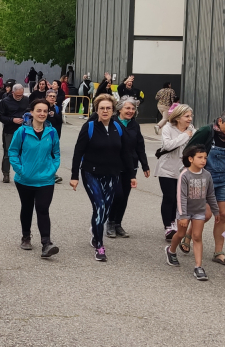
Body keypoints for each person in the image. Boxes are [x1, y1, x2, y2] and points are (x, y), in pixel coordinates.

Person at [69, 94, 136, 262]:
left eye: (108, 108)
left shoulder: (118, 128)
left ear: (113, 110)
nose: (105, 111)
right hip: (91, 173)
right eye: (102, 108)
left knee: (105, 209)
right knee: (99, 207)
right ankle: (99, 245)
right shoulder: (89, 127)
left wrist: (132, 175)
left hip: (112, 174)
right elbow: (78, 152)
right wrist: (74, 176)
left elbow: (126, 153)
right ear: (96, 110)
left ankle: (95, 231)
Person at [185, 108, 225, 267]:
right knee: (205, 214)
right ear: (220, 121)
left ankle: (218, 252)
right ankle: (188, 235)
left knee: (223, 214)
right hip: (205, 176)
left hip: (224, 179)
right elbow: (188, 151)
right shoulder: (206, 132)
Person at [9, 98, 60, 257]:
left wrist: (52, 169)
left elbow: (56, 153)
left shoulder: (52, 132)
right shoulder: (22, 132)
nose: (42, 113)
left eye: (45, 111)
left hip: (46, 179)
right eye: (39, 110)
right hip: (25, 179)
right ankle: (26, 236)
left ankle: (46, 243)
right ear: (31, 112)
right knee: (27, 207)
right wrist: (21, 170)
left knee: (43, 209)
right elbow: (12, 152)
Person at [164, 144, 218, 280]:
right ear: (191, 159)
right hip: (185, 211)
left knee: (197, 236)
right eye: (200, 157)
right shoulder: (184, 175)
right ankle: (171, 250)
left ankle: (198, 267)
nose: (203, 160)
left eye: (205, 158)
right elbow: (180, 196)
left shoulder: (207, 175)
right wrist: (182, 215)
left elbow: (210, 195)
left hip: (199, 211)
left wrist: (216, 211)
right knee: (180, 233)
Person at [107, 97, 150, 239]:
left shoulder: (134, 125)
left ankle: (118, 224)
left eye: (133, 109)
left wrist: (145, 165)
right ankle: (110, 222)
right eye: (127, 108)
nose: (130, 111)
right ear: (120, 109)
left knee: (124, 197)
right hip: (114, 164)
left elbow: (140, 146)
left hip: (130, 165)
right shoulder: (112, 122)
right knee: (117, 194)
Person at [157, 104, 195, 239]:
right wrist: (185, 136)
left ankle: (173, 222)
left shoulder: (192, 130)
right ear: (178, 118)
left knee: (178, 198)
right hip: (166, 168)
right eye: (187, 116)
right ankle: (168, 226)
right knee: (169, 197)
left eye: (191, 116)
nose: (190, 119)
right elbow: (168, 145)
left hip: (183, 170)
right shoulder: (168, 128)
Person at [0, 83, 28, 183]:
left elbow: (30, 111)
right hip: (9, 130)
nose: (19, 97)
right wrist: (12, 120)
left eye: (21, 95)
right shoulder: (5, 102)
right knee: (8, 152)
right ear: (12, 92)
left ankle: (22, 173)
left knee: (24, 152)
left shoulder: (26, 100)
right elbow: (0, 116)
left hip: (24, 130)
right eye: (17, 95)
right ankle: (6, 173)